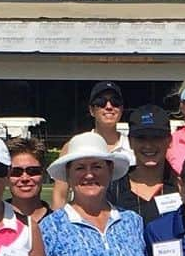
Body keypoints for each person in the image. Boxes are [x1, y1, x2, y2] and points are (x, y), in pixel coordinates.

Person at [51, 81, 134, 211]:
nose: (109, 106)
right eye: (101, 102)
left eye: (115, 102)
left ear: (122, 109)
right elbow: (60, 195)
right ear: (91, 110)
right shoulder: (72, 146)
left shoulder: (133, 146)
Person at [108, 104, 181, 222]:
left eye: (156, 137)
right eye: (141, 138)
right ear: (130, 141)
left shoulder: (182, 188)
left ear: (169, 141)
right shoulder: (112, 189)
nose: (148, 145)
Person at [6, 137, 52, 228]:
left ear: (43, 174)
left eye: (32, 171)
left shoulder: (59, 223)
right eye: (16, 172)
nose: (25, 178)